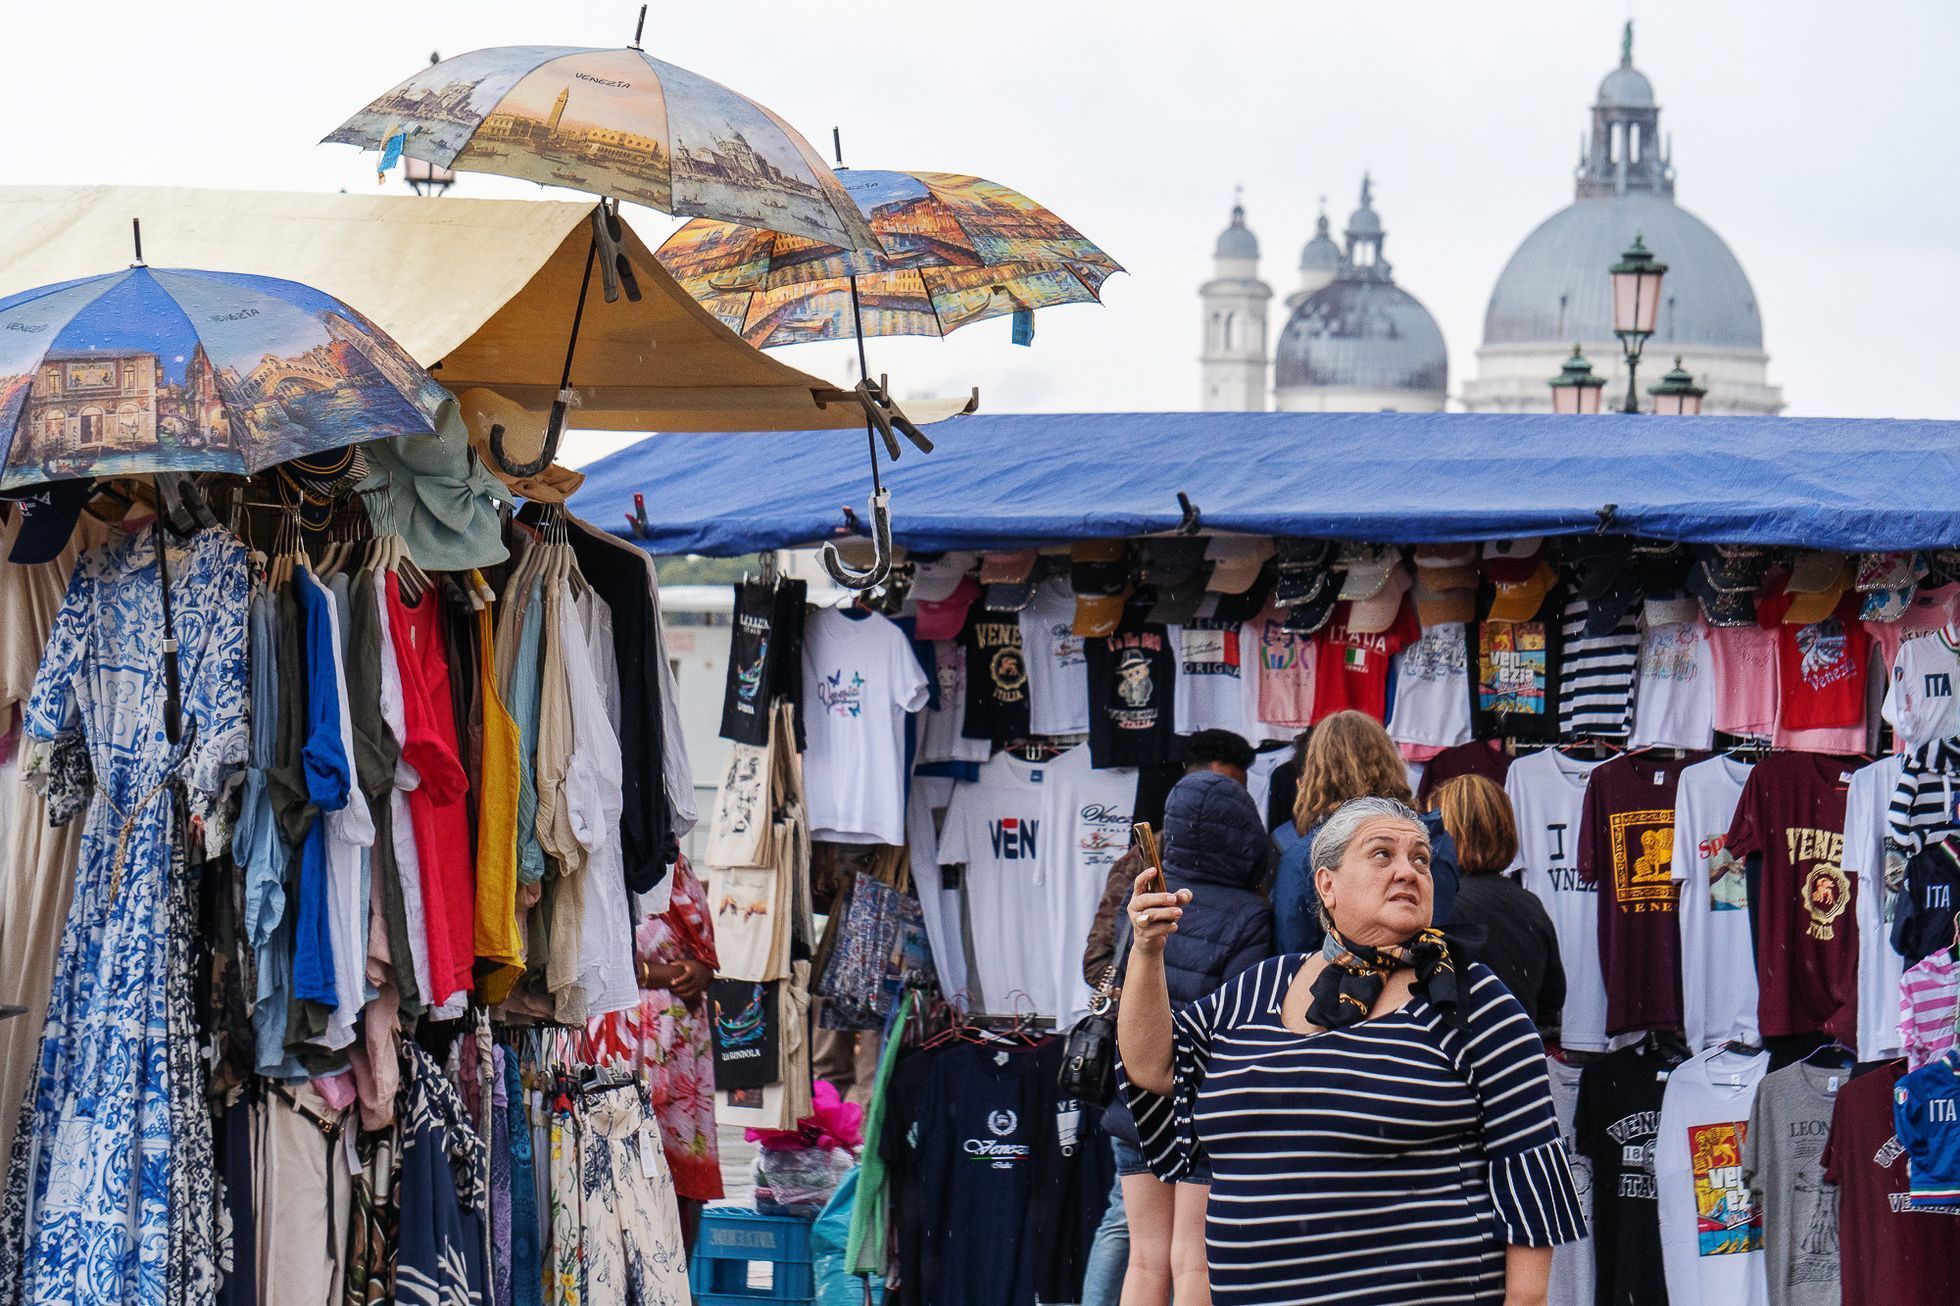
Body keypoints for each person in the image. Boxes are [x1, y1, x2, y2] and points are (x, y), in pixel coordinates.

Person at [1118, 796, 1585, 1304]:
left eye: (1421, 859)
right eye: (1382, 854)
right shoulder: (1260, 988)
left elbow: (1528, 1178)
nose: (1408, 871)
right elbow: (1154, 1067)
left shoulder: (1468, 999)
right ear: (1327, 884)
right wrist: (1147, 951)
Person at [1079, 730, 1257, 1306]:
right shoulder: (1252, 913)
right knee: (1194, 1260)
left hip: (1134, 1097)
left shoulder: (1147, 900)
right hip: (1205, 1098)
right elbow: (1243, 1016)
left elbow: (1114, 976)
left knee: (1146, 1257)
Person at [585, 855, 722, 1246]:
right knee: (621, 1155)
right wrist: (655, 974)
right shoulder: (608, 859)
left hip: (681, 1044)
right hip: (620, 1029)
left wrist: (701, 972)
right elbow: (593, 949)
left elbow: (706, 954)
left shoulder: (675, 864)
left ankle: (677, 1278)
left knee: (681, 1160)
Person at [1272, 710, 1460, 952]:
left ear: (1318, 772)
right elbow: (1440, 931)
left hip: (1339, 985)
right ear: (1390, 763)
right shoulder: (1434, 839)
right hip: (1429, 980)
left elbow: (1294, 956)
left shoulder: (1304, 855)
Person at [1432, 775, 1567, 1031]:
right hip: (1516, 1052)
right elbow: (1552, 998)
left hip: (1458, 1055)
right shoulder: (1529, 904)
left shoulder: (1440, 904)